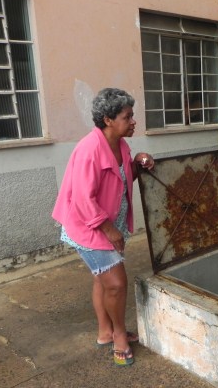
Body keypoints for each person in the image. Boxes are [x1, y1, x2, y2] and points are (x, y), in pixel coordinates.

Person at [52, 88, 155, 367]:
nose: (133, 121)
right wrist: (110, 230)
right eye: (127, 116)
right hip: (90, 227)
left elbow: (122, 178)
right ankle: (119, 335)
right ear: (108, 120)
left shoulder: (120, 144)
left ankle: (104, 332)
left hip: (110, 223)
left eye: (132, 115)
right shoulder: (89, 149)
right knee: (117, 284)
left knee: (103, 280)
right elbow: (83, 199)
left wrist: (138, 163)